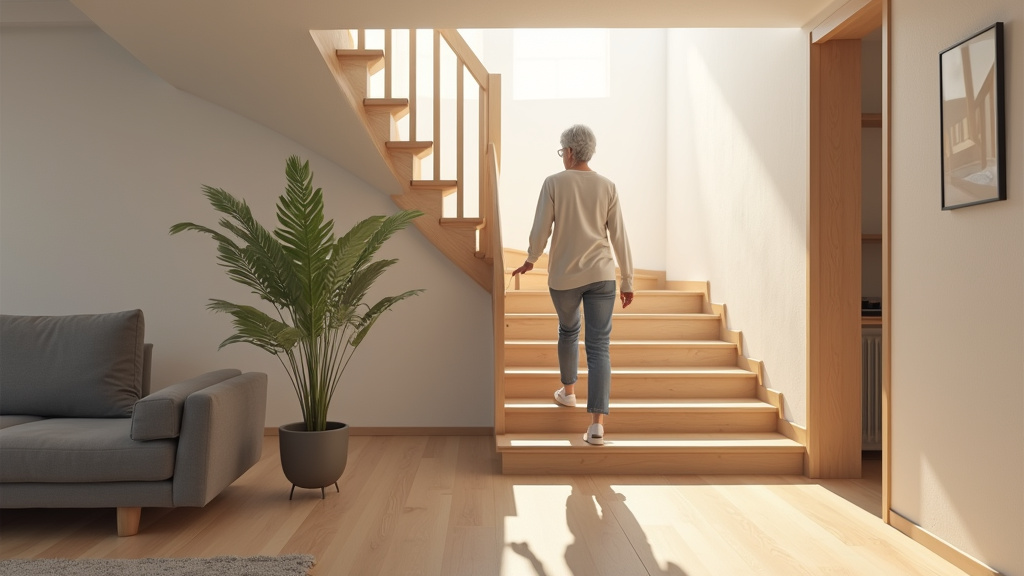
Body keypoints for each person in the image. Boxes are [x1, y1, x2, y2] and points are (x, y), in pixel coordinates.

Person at [511, 124, 634, 446]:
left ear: (568, 151)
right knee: (599, 347)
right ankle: (597, 426)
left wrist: (531, 258)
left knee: (568, 331)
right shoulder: (607, 186)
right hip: (602, 274)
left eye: (561, 150)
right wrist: (629, 279)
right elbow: (619, 235)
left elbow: (541, 228)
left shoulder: (554, 182)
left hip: (564, 277)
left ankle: (568, 392)